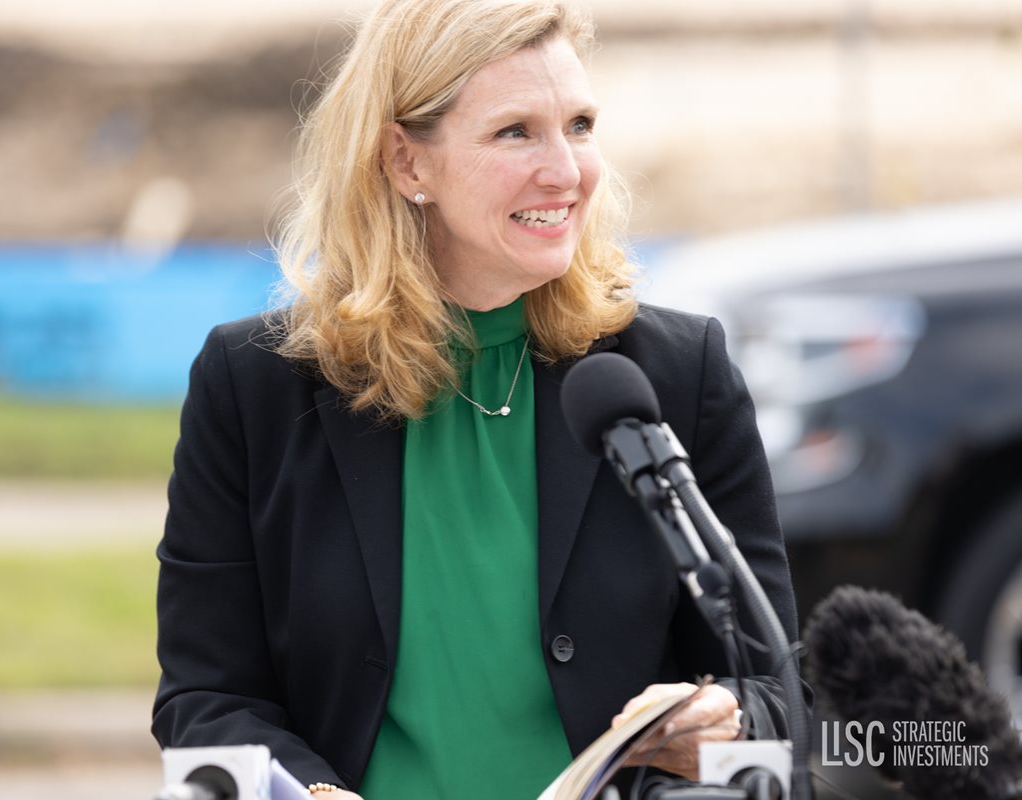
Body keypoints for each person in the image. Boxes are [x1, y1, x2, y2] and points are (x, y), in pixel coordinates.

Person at [152, 0, 804, 797]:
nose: (567, 171)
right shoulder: (250, 384)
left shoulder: (676, 375)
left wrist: (724, 716)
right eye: (515, 131)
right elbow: (205, 699)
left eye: (581, 125)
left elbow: (780, 690)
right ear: (405, 162)